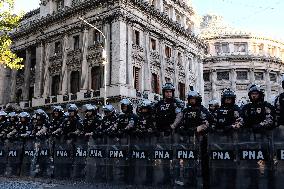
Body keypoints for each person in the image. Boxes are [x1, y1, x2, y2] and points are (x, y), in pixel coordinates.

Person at [179, 90, 211, 188]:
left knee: (202, 161)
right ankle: (190, 180)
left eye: (194, 99)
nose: (192, 101)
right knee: (188, 161)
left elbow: (206, 124)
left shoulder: (202, 110)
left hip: (201, 139)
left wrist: (196, 129)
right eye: (190, 99)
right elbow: (180, 122)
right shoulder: (185, 110)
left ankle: (205, 183)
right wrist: (182, 130)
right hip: (188, 139)